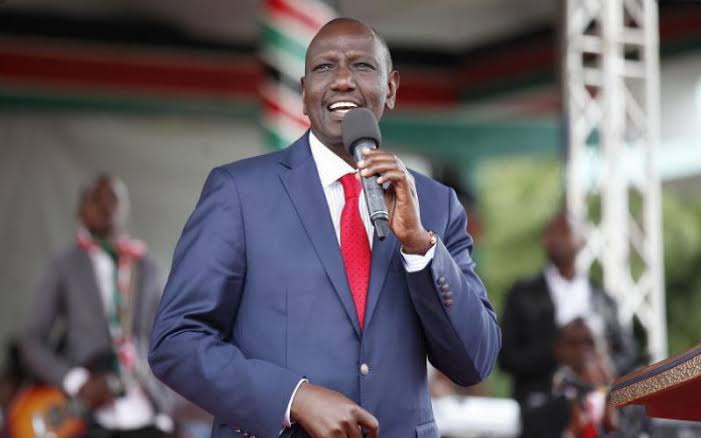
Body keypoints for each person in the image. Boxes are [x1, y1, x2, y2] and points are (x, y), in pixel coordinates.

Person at [148, 17, 501, 438]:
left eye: (362, 66)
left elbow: (475, 361)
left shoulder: (436, 205)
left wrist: (420, 246)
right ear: (304, 93)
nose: (342, 81)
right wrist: (292, 398)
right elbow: (177, 340)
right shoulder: (239, 192)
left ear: (391, 88)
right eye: (324, 67)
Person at [20, 175, 173, 437]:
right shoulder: (65, 265)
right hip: (85, 413)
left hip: (144, 408)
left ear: (124, 207)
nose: (105, 206)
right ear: (80, 211)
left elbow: (166, 340)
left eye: (113, 198)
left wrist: (165, 400)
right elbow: (32, 341)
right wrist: (75, 381)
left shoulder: (146, 266)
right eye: (95, 199)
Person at [499, 211, 637, 437]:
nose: (556, 239)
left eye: (565, 231)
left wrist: (597, 362)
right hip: (541, 411)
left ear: (582, 240)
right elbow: (506, 357)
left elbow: (628, 351)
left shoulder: (602, 298)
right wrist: (557, 355)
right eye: (550, 233)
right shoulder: (522, 294)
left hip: (602, 411)